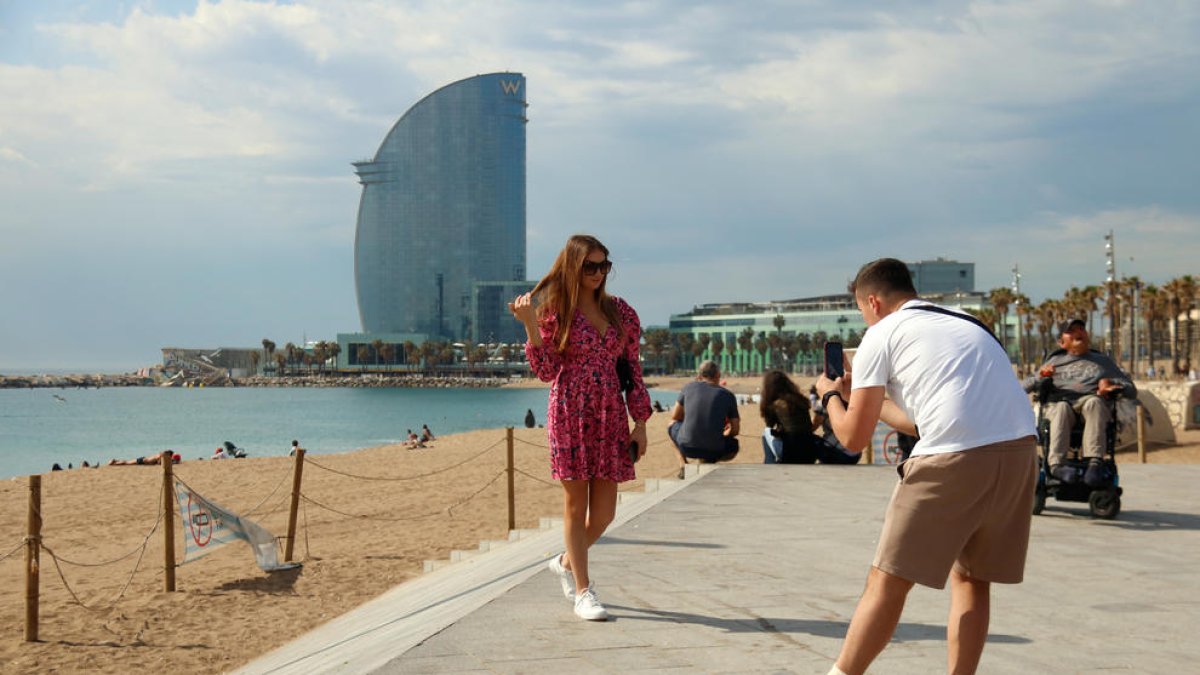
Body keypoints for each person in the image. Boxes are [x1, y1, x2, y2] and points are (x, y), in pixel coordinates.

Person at [815, 258, 1037, 675]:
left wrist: (830, 395)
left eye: (862, 310)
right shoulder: (965, 320)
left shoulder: (880, 334)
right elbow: (920, 421)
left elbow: (850, 439)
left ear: (874, 302)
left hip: (953, 458)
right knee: (972, 579)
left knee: (887, 580)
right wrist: (870, 400)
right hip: (1020, 451)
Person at [509, 233, 651, 622]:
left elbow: (632, 370)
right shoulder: (554, 312)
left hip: (609, 415)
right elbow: (546, 371)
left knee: (604, 513)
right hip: (569, 412)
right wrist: (530, 327)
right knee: (575, 504)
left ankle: (565, 562)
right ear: (573, 266)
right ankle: (584, 591)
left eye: (604, 265)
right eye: (590, 266)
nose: (598, 273)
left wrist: (640, 422)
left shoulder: (621, 312)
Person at [1024, 318, 1136, 486]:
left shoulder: (1103, 362)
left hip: (1089, 405)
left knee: (1094, 402)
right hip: (1061, 404)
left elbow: (1131, 390)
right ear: (1062, 342)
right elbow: (1024, 386)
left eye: (1081, 329)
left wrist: (1113, 386)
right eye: (1072, 331)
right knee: (1061, 407)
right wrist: (1042, 376)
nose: (1078, 333)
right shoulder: (1053, 362)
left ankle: (1094, 463)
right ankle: (1056, 465)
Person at [759, 370, 861, 464]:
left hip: (836, 454)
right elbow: (807, 427)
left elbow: (770, 425)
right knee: (808, 438)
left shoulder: (826, 402)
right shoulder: (799, 399)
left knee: (766, 433)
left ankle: (769, 464)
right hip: (851, 454)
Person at [668, 360, 740, 475]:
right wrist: (724, 434)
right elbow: (735, 430)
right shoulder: (728, 395)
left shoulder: (688, 388)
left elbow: (675, 416)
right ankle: (708, 461)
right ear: (718, 376)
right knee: (733, 445)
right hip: (716, 449)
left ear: (699, 376)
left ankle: (683, 465)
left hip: (687, 447)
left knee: (671, 424)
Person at [109, 452, 182, 466]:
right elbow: (160, 463)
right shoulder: (161, 457)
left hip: (144, 459)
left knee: (127, 462)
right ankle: (114, 463)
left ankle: (116, 461)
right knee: (127, 463)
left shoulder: (160, 455)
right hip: (144, 461)